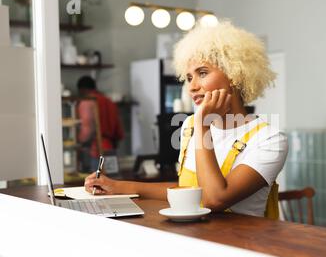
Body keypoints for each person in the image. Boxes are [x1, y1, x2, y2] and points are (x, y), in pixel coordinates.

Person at [84, 21, 288, 218]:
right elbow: (189, 192)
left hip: (241, 248)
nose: (192, 87)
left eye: (202, 73)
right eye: (189, 77)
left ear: (234, 74)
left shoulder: (269, 139)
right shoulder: (189, 126)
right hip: (194, 241)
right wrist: (118, 186)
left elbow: (214, 200)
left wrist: (203, 126)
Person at [77, 76, 124, 172]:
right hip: (111, 148)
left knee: (96, 184)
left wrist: (78, 142)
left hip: (96, 150)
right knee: (112, 182)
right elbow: (119, 128)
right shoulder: (109, 101)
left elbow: (87, 130)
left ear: (83, 90)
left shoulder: (87, 101)